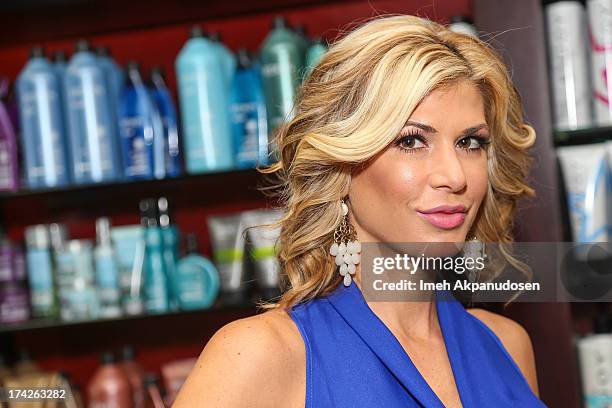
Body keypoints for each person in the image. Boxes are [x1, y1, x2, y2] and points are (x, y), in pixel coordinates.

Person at [173, 14, 547, 407]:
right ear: (342, 165)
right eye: (412, 141)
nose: (455, 176)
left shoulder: (507, 345)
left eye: (470, 142)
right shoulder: (263, 355)